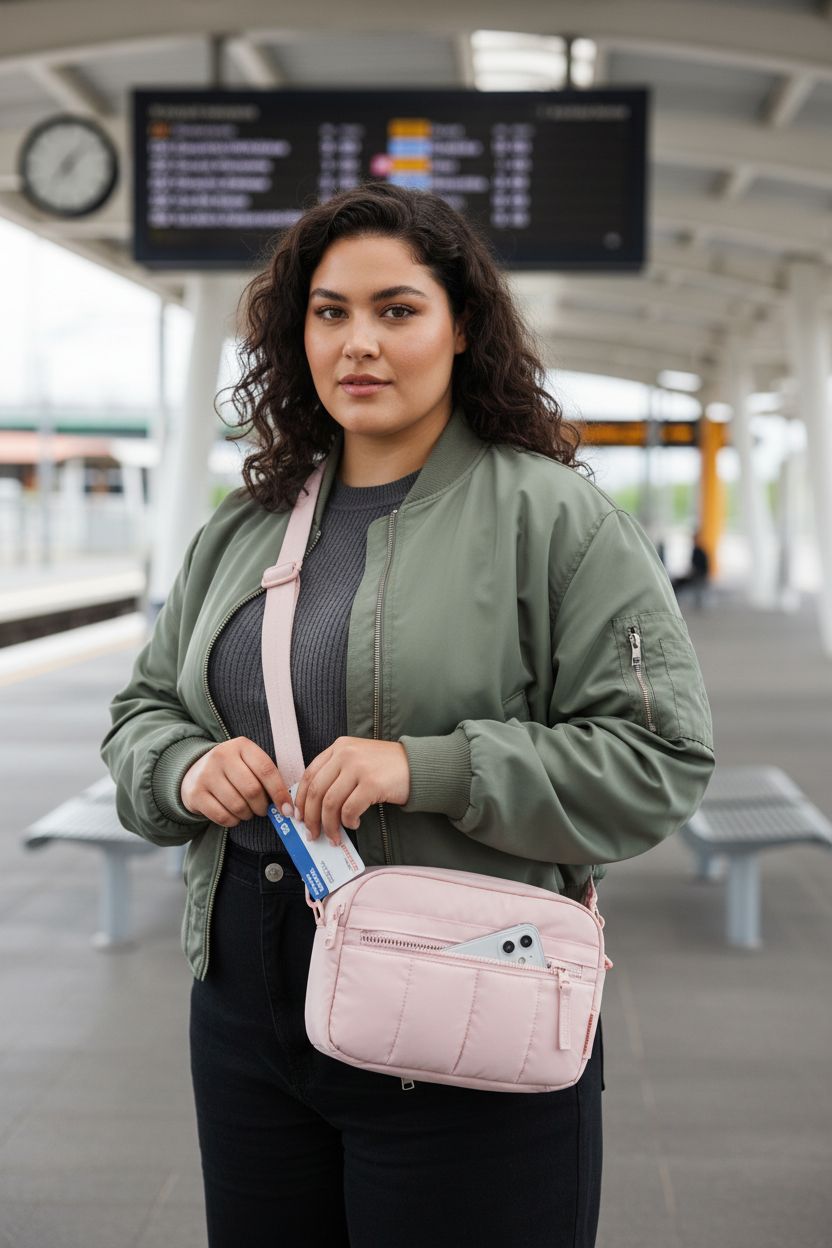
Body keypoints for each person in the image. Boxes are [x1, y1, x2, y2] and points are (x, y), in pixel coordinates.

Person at [101, 182, 715, 1248]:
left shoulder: (555, 520)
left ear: (462, 325)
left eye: (396, 310)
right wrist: (179, 772)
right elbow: (144, 710)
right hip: (249, 1004)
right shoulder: (245, 528)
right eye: (330, 312)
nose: (358, 344)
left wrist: (424, 768)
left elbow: (657, 757)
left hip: (465, 992)